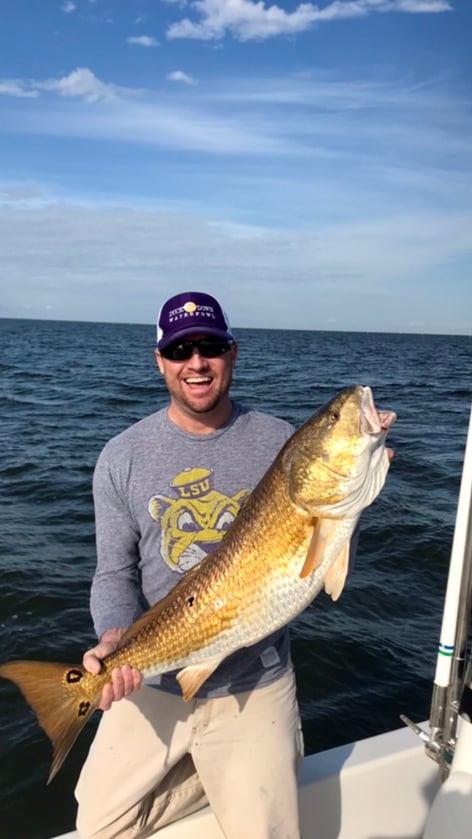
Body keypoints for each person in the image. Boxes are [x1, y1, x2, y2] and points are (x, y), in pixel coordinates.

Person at [75, 291, 304, 839]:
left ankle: (227, 762)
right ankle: (208, 769)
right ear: (160, 360)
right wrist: (112, 641)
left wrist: (353, 498)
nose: (196, 362)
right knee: (97, 826)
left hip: (254, 682)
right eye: (180, 350)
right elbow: (114, 573)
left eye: (210, 347)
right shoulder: (122, 456)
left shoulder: (282, 442)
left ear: (233, 352)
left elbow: (325, 558)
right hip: (150, 677)